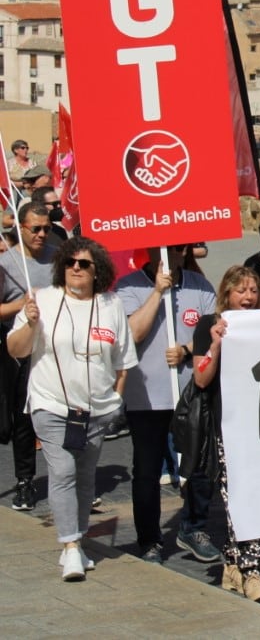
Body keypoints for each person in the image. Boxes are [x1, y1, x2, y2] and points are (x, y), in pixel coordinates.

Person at [6, 237, 136, 581]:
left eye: (84, 264)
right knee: (62, 471)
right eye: (70, 263)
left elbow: (123, 362)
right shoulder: (43, 300)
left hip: (96, 410)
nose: (76, 269)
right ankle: (70, 548)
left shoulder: (111, 305)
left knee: (84, 478)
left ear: (98, 271)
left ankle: (77, 540)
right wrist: (31, 323)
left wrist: (115, 401)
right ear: (61, 266)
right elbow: (17, 351)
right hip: (50, 403)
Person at [116, 245, 218, 563]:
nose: (168, 254)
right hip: (146, 397)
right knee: (146, 471)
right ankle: (149, 540)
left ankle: (192, 528)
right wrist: (158, 292)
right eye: (162, 248)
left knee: (198, 468)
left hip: (191, 394)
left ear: (184, 250)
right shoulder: (129, 286)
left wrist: (187, 349)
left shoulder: (200, 286)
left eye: (175, 248)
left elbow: (214, 331)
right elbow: (132, 333)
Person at [187, 266, 260, 602]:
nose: (248, 298)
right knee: (241, 498)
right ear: (227, 293)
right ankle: (252, 571)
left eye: (253, 291)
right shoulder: (207, 324)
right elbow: (201, 378)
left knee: (252, 496)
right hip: (226, 426)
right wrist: (216, 344)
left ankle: (233, 563)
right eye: (241, 291)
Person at [1, 202, 62, 512]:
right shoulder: (7, 263)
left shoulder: (59, 257)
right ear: (20, 228)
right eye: (35, 229)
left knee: (64, 412)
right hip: (22, 346)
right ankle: (25, 480)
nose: (41, 234)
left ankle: (68, 479)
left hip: (57, 345)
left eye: (47, 229)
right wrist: (22, 305)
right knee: (24, 417)